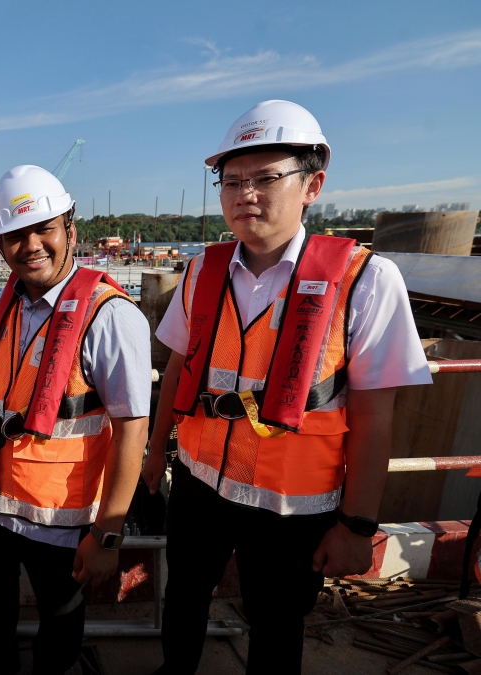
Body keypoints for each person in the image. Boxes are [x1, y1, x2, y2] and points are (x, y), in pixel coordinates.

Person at [141, 101, 432, 674]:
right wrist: (156, 452)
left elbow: (375, 419)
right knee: (183, 601)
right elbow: (178, 368)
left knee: (276, 628)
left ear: (312, 184)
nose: (245, 194)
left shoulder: (365, 281)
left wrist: (355, 527)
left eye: (266, 178)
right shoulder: (203, 271)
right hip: (200, 484)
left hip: (291, 507)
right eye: (231, 181)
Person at [0, 165, 152, 675]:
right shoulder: (8, 305)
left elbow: (133, 429)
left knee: (60, 627)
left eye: (43, 229)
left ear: (71, 227)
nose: (31, 245)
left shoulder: (109, 318)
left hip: (60, 524)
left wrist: (108, 536)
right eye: (14, 235)